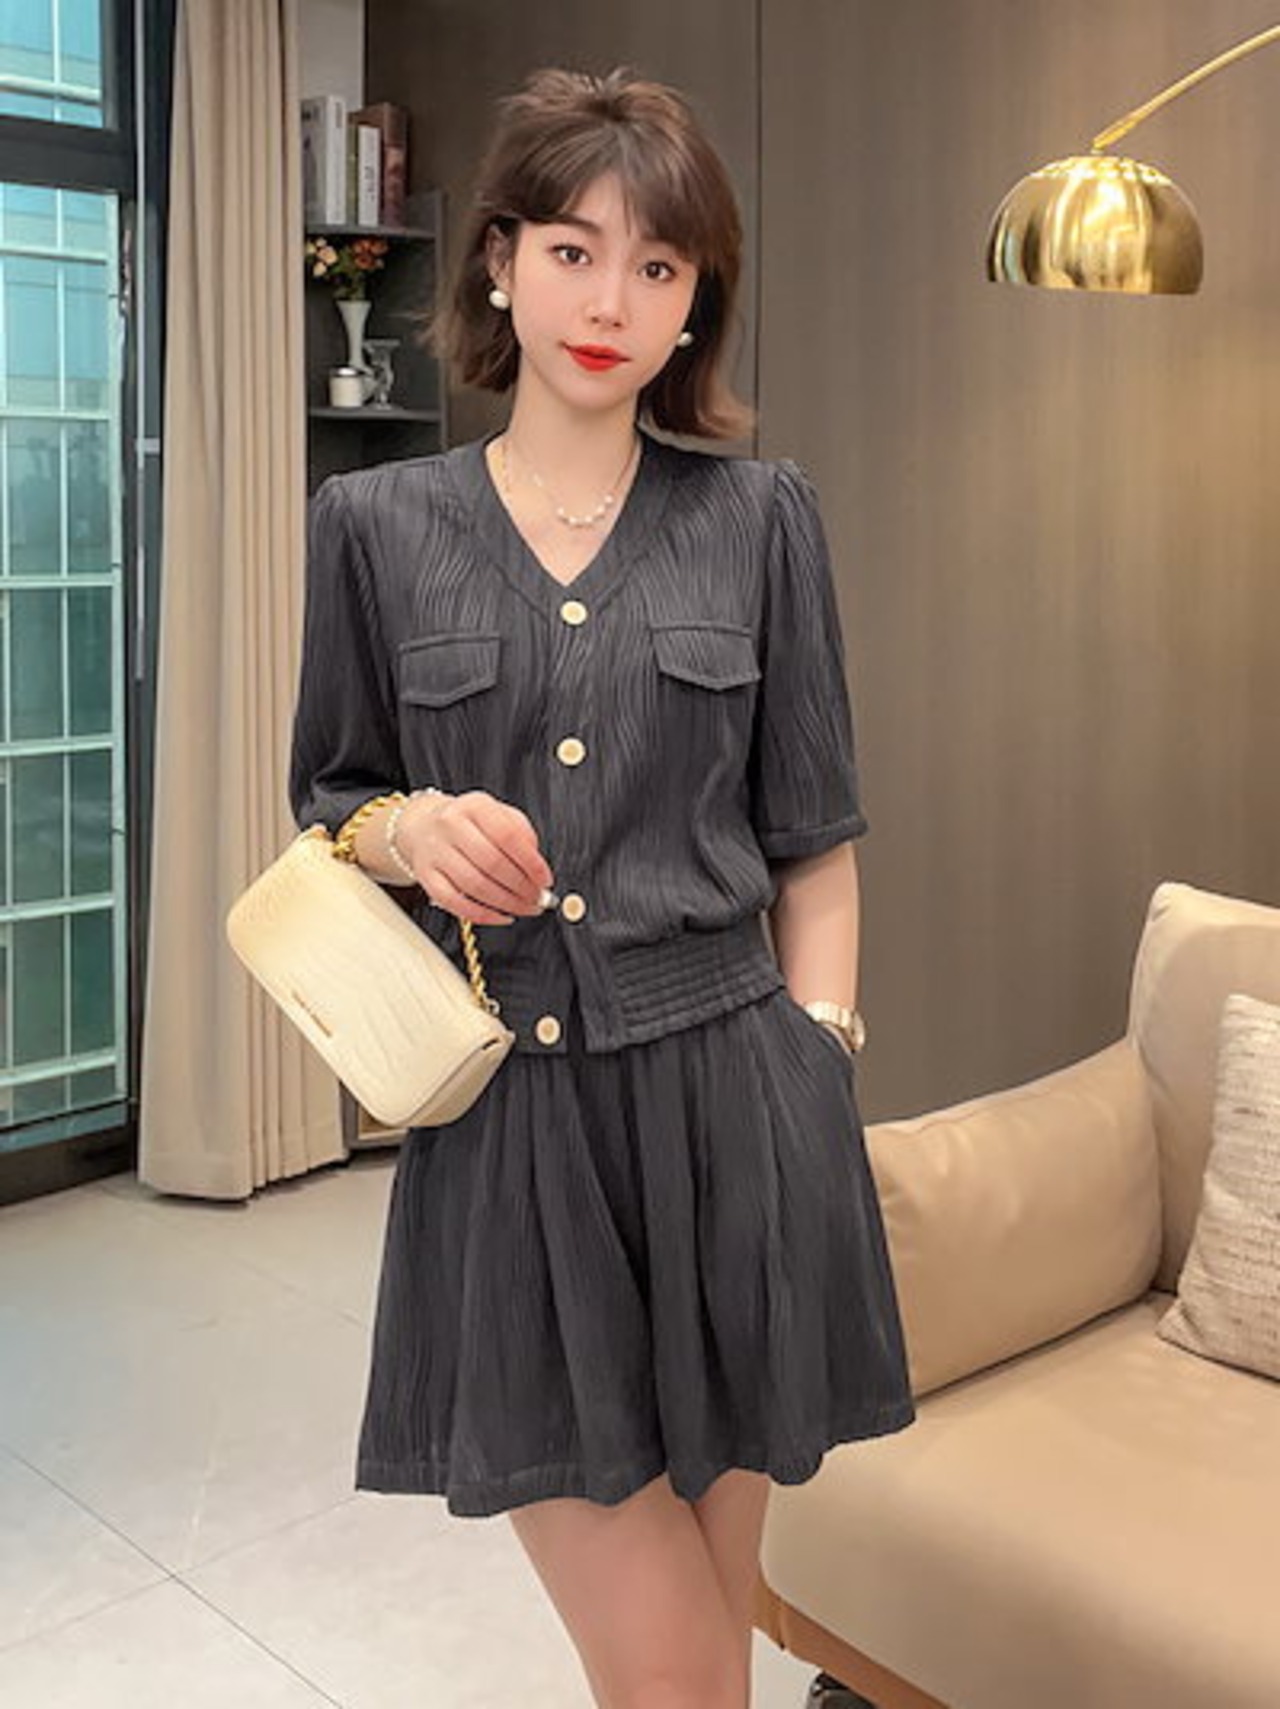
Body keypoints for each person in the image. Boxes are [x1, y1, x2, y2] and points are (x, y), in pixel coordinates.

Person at [289, 65, 915, 1709]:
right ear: (499, 261)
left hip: (738, 1122)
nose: (609, 302)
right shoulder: (374, 525)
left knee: (701, 1652)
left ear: (696, 302)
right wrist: (410, 832)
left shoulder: (761, 520)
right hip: (510, 1134)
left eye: (657, 265)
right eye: (573, 251)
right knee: (675, 1670)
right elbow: (333, 797)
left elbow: (816, 839)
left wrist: (819, 1058)